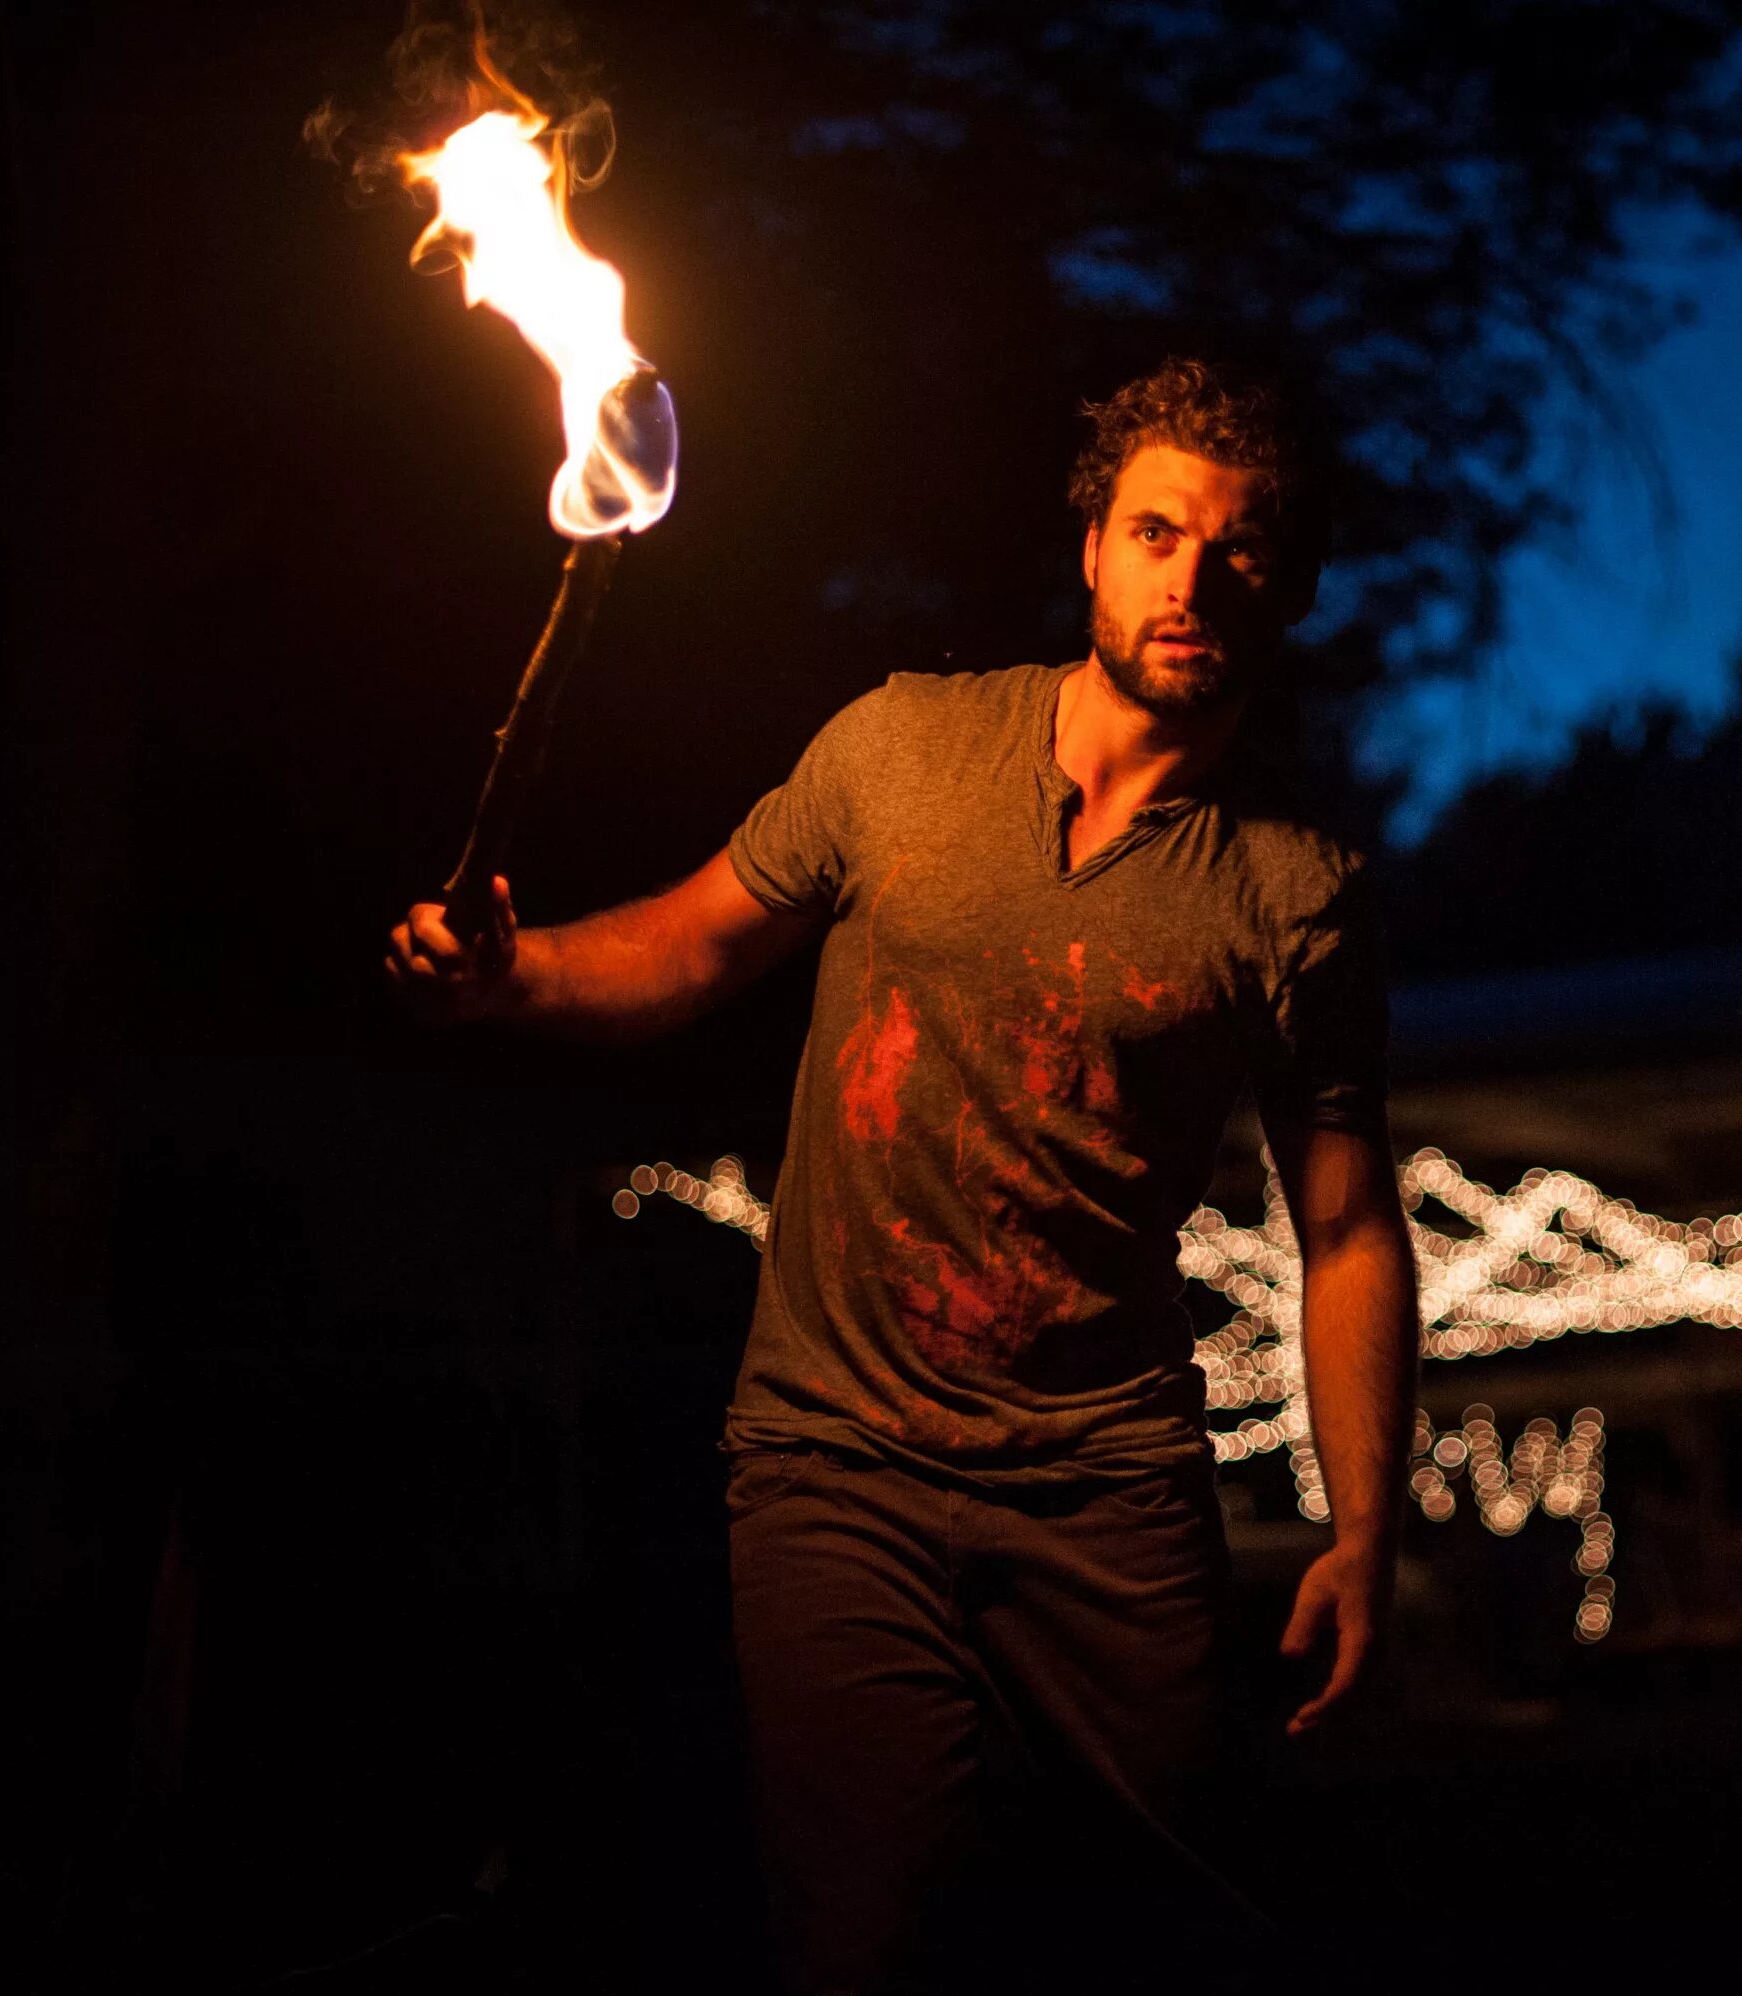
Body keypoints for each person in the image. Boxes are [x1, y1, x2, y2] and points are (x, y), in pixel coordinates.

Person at [386, 358, 1417, 1990]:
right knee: (869, 1937)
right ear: (1091, 546)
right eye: (1156, 532)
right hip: (834, 1464)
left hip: (1103, 1483)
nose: (1190, 577)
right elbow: (692, 945)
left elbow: (1349, 1228)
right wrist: (509, 978)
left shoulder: (1295, 894)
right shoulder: (898, 747)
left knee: (1178, 1920)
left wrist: (1369, 1533)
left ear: (1285, 584)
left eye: (1236, 549)